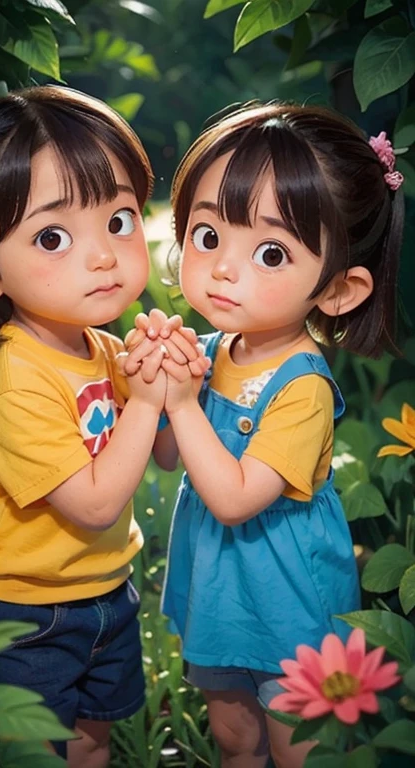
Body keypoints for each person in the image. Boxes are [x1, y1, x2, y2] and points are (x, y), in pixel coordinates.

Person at [0, 85, 204, 768]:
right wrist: (140, 403)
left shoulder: (100, 348)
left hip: (105, 588)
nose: (104, 255)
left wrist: (173, 392)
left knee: (90, 737)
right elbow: (98, 501)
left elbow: (161, 458)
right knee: (30, 753)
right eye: (53, 236)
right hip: (20, 610)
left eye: (121, 219)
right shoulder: (14, 381)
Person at [122, 103, 404, 768]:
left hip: (287, 594)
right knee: (234, 735)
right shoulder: (218, 348)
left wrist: (185, 405)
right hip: (220, 587)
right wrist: (153, 391)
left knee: (297, 740)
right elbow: (170, 458)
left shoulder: (302, 387)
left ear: (337, 290)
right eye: (207, 234)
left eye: (270, 252)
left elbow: (237, 497)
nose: (222, 268)